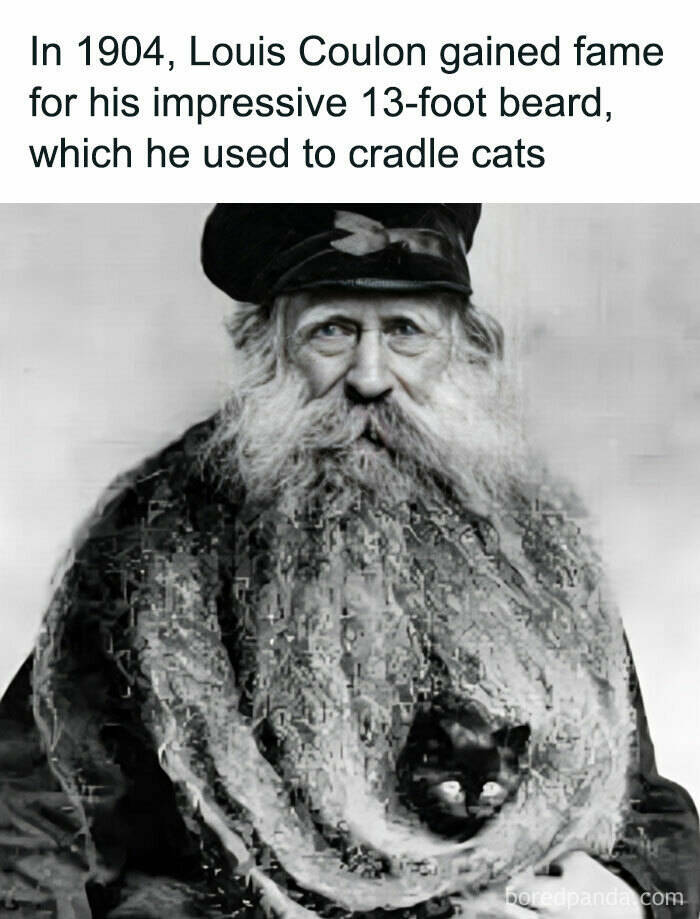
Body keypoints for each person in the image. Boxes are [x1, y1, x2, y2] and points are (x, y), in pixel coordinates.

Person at [0, 204, 697, 919]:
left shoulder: (532, 547)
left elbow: (638, 799)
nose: (370, 376)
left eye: (405, 331)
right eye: (331, 330)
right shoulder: (156, 538)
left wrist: (639, 896)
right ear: (267, 348)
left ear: (464, 347)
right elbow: (35, 814)